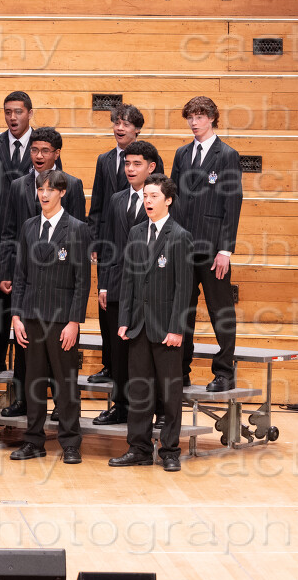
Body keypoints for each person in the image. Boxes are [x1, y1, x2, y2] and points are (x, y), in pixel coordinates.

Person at [0, 126, 86, 415]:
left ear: (56, 153)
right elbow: (8, 231)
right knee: (25, 345)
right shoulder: (17, 185)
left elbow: (80, 233)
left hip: (59, 280)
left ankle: (62, 406)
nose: (38, 155)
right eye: (34, 149)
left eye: (45, 150)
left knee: (60, 353)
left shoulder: (72, 184)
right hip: (27, 277)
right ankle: (23, 401)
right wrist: (6, 271)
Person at [109, 175, 194, 473]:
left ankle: (170, 450)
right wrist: (124, 319)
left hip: (167, 328)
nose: (148, 200)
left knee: (169, 394)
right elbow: (128, 279)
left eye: (154, 196)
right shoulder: (135, 232)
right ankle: (139, 448)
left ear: (168, 200)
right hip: (138, 326)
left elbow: (184, 288)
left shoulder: (180, 236)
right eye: (145, 196)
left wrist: (177, 328)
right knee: (139, 391)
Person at [8, 169, 92, 464]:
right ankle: (33, 441)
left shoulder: (77, 229)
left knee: (65, 384)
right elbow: (20, 275)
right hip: (31, 317)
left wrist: (74, 322)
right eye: (40, 189)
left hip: (61, 320)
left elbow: (82, 281)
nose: (44, 195)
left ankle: (70, 443)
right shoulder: (29, 226)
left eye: (50, 190)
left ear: (62, 192)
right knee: (33, 383)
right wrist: (16, 315)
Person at [169, 96, 243, 392]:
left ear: (212, 118)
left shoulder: (227, 155)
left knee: (220, 311)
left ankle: (224, 372)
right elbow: (171, 198)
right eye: (190, 117)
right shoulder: (182, 153)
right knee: (182, 311)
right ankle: (180, 370)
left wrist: (225, 249)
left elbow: (232, 203)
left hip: (213, 249)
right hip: (184, 246)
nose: (194, 122)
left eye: (200, 116)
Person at [91, 139, 162, 424]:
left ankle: (157, 411)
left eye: (137, 164)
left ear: (151, 167)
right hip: (118, 285)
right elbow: (108, 244)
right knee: (118, 352)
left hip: (150, 289)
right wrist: (104, 284)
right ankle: (120, 406)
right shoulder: (116, 199)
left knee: (149, 353)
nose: (130, 169)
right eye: (127, 163)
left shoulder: (163, 198)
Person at [0, 91, 36, 377]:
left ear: (30, 113)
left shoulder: (42, 145)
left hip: (31, 238)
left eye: (18, 112)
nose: (13, 117)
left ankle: (31, 360)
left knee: (28, 300)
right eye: (8, 112)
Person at [91, 103, 145, 222]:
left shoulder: (149, 159)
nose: (120, 128)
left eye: (126, 124)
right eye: (116, 123)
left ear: (137, 129)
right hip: (107, 229)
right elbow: (96, 203)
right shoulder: (103, 160)